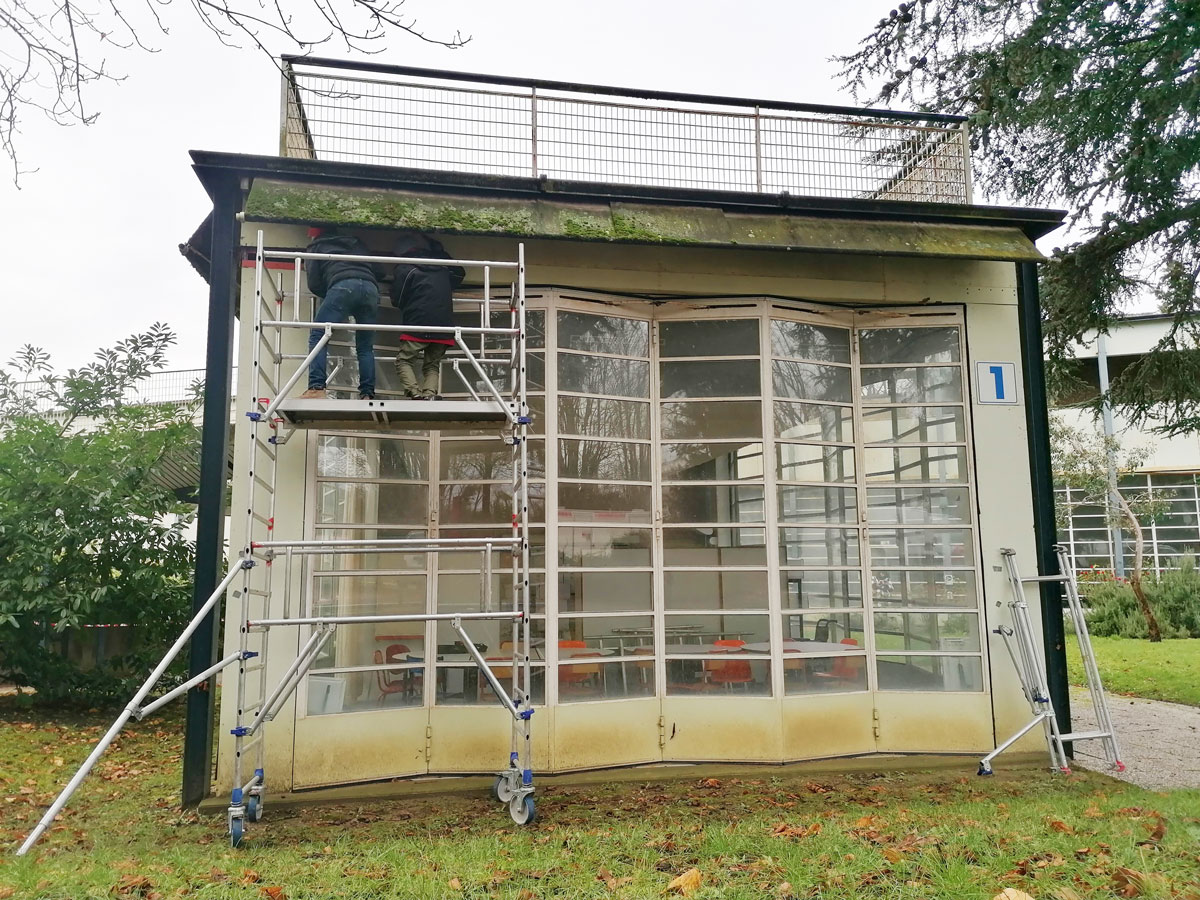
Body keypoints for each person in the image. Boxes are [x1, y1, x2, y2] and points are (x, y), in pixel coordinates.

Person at [300, 227, 384, 400]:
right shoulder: (357, 242)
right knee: (365, 346)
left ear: (314, 234)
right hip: (370, 289)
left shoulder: (316, 246)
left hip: (342, 286)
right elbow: (380, 271)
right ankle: (367, 393)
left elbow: (314, 283)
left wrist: (333, 293)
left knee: (318, 335)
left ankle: (316, 388)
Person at [390, 233, 465, 400]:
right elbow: (460, 274)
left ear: (400, 253)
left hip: (418, 323)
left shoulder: (406, 267)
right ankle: (429, 394)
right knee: (432, 364)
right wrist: (441, 253)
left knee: (404, 360)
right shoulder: (441, 265)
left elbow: (397, 299)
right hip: (443, 326)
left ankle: (414, 393)